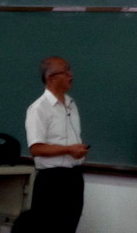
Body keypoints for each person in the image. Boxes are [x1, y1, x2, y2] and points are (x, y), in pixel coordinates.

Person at [25, 56, 89, 233]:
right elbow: (36, 148)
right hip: (52, 181)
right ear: (51, 78)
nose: (71, 74)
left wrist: (77, 150)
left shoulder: (71, 104)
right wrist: (69, 150)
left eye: (70, 70)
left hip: (74, 177)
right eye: (65, 71)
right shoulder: (39, 108)